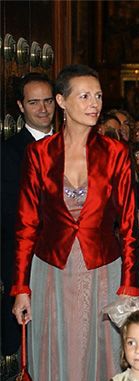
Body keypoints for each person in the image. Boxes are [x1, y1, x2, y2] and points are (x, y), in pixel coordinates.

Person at [10, 64, 139, 381]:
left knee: (105, 357)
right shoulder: (39, 154)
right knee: (57, 360)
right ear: (62, 102)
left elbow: (129, 225)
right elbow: (26, 225)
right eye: (84, 96)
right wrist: (21, 287)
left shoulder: (116, 152)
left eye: (98, 96)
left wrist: (129, 283)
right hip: (52, 272)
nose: (94, 103)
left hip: (103, 269)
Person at [1, 72, 55, 357]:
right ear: (21, 107)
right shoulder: (8, 153)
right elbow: (11, 215)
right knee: (30, 350)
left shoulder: (72, 147)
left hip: (70, 266)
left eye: (48, 101)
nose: (43, 109)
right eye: (34, 103)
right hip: (29, 265)